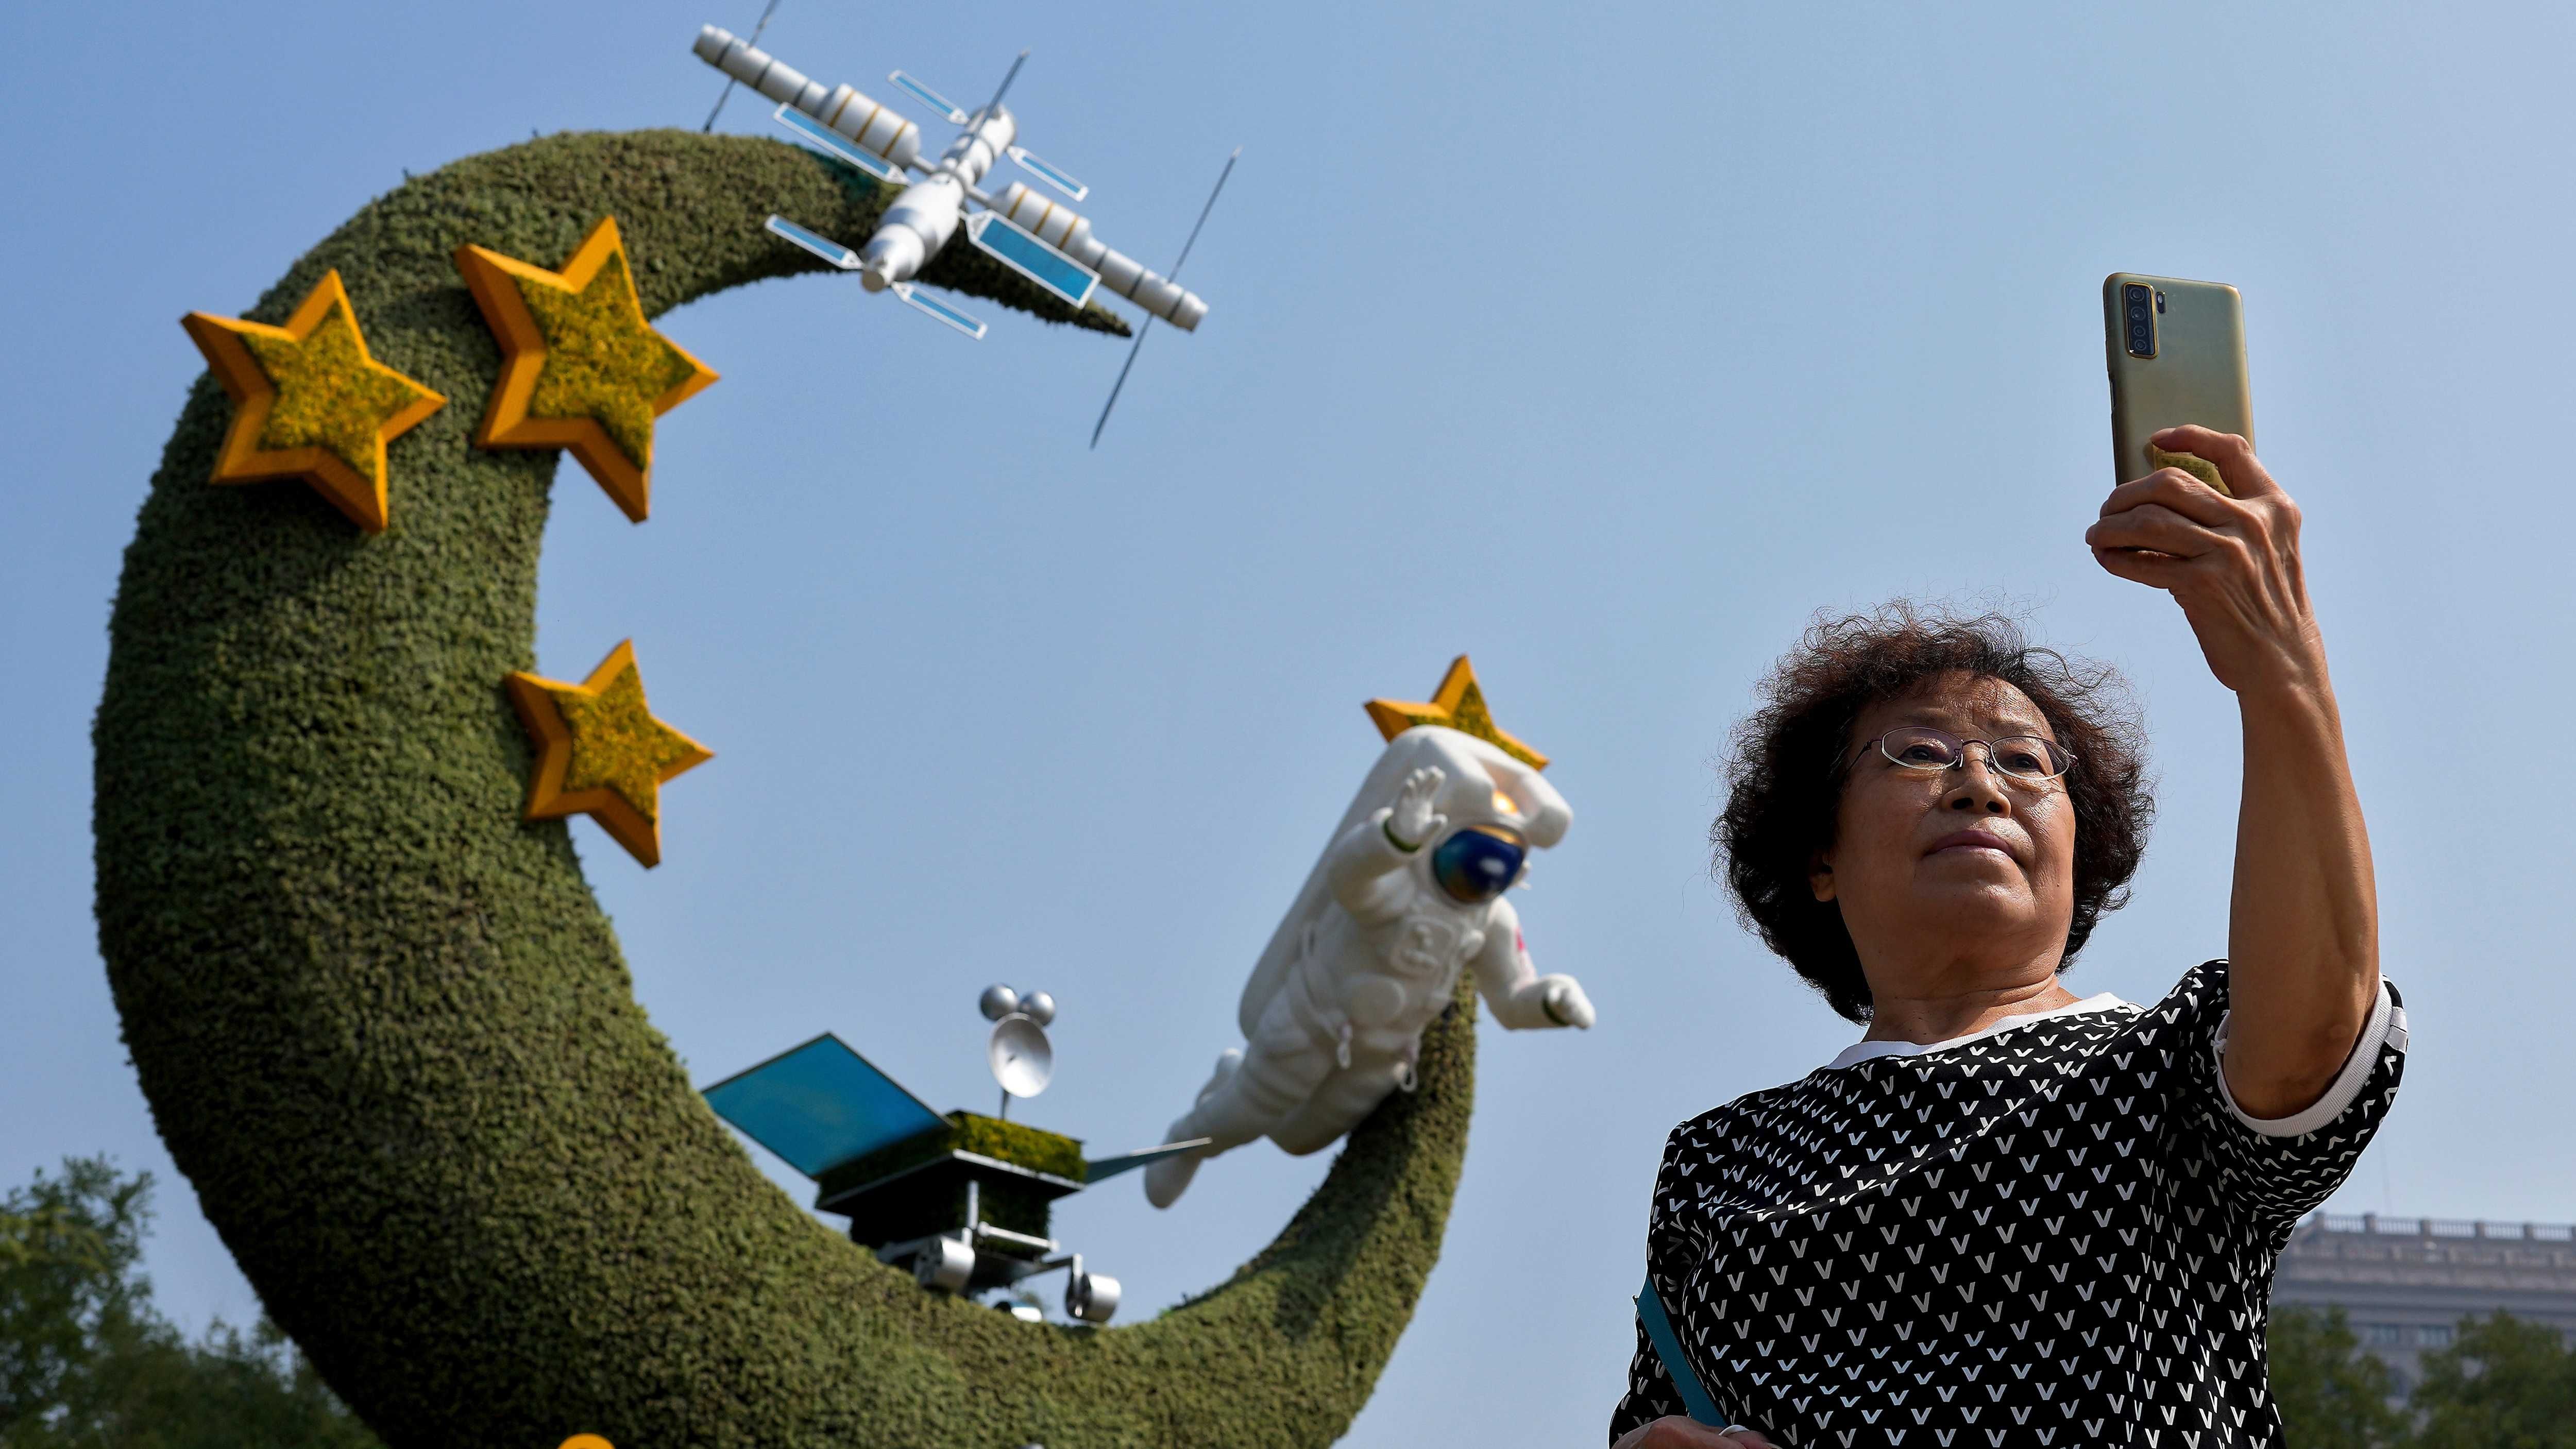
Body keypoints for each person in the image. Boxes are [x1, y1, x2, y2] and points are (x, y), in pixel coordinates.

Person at [1609, 427, 2404, 1448]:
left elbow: (2312, 1039)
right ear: (1820, 855)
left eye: (2026, 762)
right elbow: (1656, 1420)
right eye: (1919, 752)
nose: (1980, 782)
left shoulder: (2168, 1066)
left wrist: (2281, 666)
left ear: (2079, 854)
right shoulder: (1717, 1161)